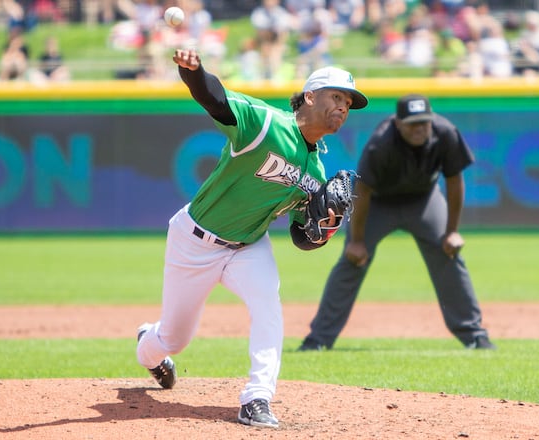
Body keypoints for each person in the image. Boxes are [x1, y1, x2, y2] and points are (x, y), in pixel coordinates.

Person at [135, 49, 368, 429]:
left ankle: (257, 398)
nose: (343, 107)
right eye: (337, 97)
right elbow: (216, 99)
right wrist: (195, 72)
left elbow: (301, 237)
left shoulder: (316, 173)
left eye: (349, 103)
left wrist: (324, 228)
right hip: (194, 241)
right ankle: (149, 344)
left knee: (268, 306)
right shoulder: (264, 123)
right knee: (173, 339)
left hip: (248, 246)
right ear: (310, 96)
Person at [299, 94, 495, 352]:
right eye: (413, 124)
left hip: (424, 200)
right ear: (399, 124)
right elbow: (363, 190)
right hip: (378, 203)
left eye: (424, 122)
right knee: (353, 260)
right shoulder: (381, 142)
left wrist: (452, 232)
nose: (419, 129)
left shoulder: (445, 133)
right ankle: (318, 339)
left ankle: (474, 335)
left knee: (448, 253)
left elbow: (455, 180)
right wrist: (356, 241)